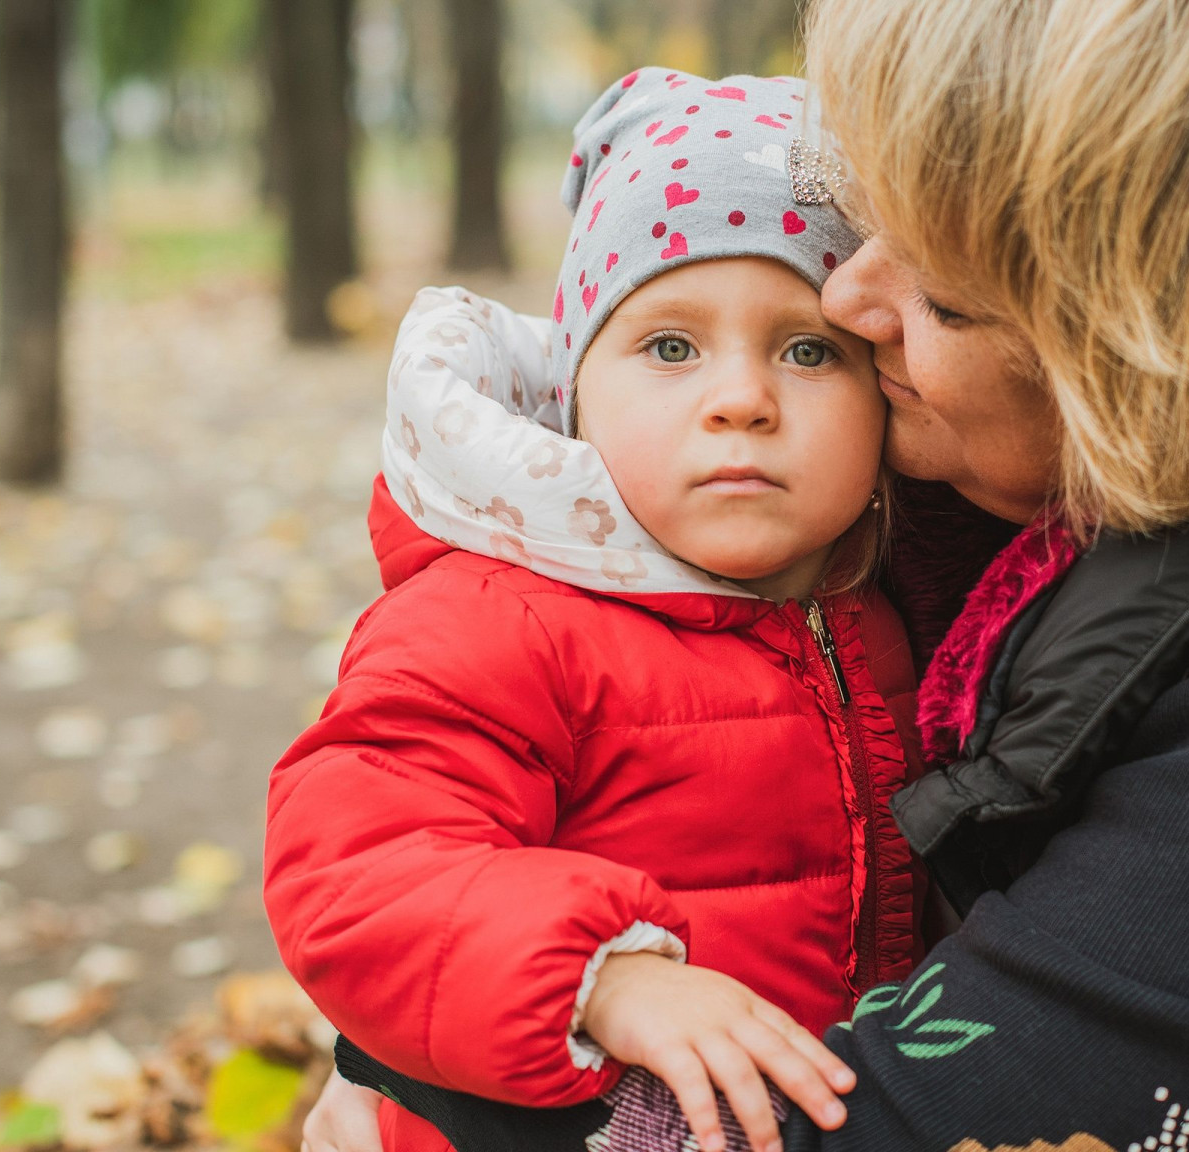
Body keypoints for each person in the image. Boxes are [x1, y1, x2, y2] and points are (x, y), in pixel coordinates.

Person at [304, 1, 1189, 1149]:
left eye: (936, 287)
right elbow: (385, 833)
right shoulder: (1069, 478)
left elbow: (932, 1120)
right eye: (864, 219)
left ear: (1131, 341)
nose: (848, 304)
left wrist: (418, 1107)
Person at [264, 69, 934, 1152]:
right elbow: (357, 866)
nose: (741, 399)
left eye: (808, 350)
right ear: (577, 388)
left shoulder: (876, 606)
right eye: (669, 347)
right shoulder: (501, 616)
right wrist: (606, 980)